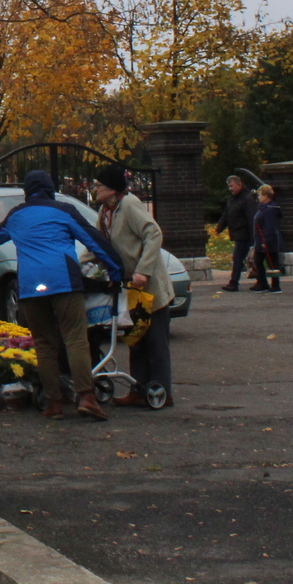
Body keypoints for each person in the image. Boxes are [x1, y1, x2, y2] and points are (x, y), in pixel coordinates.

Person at [0, 169, 122, 421]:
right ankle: (87, 397)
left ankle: (54, 403)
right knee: (75, 339)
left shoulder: (16, 215)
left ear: (26, 191)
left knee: (44, 344)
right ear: (50, 189)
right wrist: (116, 271)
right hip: (63, 281)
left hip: (30, 286)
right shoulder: (64, 210)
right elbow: (94, 241)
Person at [92, 166, 173, 408]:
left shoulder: (129, 205)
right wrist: (77, 265)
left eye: (99, 185)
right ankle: (139, 390)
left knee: (155, 342)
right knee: (135, 338)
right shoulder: (105, 211)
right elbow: (97, 244)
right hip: (129, 287)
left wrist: (143, 270)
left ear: (113, 190)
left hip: (149, 286)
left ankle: (162, 392)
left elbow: (153, 234)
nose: (95, 189)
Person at [219, 175, 254, 292]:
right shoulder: (233, 199)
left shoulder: (247, 199)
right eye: (229, 186)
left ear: (239, 185)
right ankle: (261, 281)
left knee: (238, 258)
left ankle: (234, 282)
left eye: (232, 186)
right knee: (243, 258)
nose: (230, 189)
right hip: (238, 233)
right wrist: (220, 227)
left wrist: (254, 237)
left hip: (244, 234)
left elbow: (251, 218)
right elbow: (226, 214)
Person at [250, 184, 285, 293]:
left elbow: (270, 226)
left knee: (271, 262)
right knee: (259, 260)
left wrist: (266, 241)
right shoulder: (264, 208)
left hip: (268, 240)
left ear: (266, 196)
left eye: (260, 195)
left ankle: (275, 285)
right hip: (261, 240)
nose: (258, 197)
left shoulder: (270, 209)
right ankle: (263, 283)